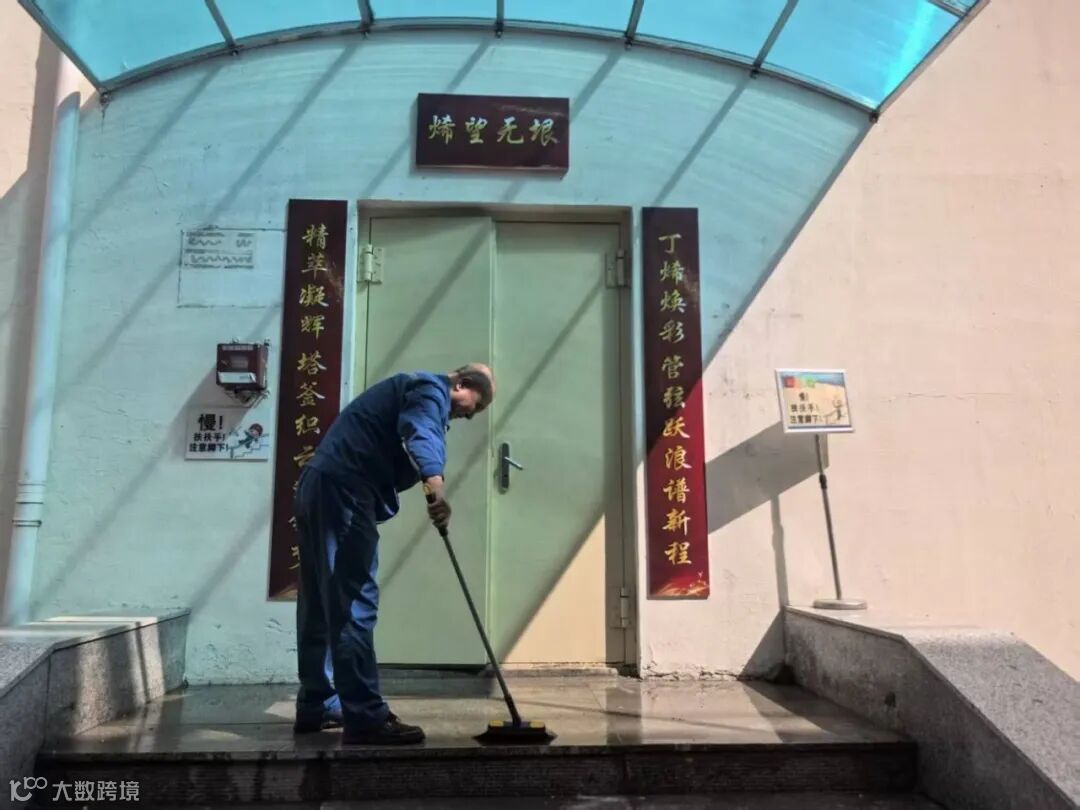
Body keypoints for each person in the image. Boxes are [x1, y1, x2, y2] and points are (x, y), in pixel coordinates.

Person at [291, 363, 494, 745]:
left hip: (321, 486)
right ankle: (366, 717)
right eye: (473, 407)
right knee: (354, 602)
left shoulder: (411, 388)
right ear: (462, 384)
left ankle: (319, 702)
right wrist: (436, 487)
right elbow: (422, 431)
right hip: (344, 491)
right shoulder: (429, 389)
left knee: (319, 602)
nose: (467, 416)